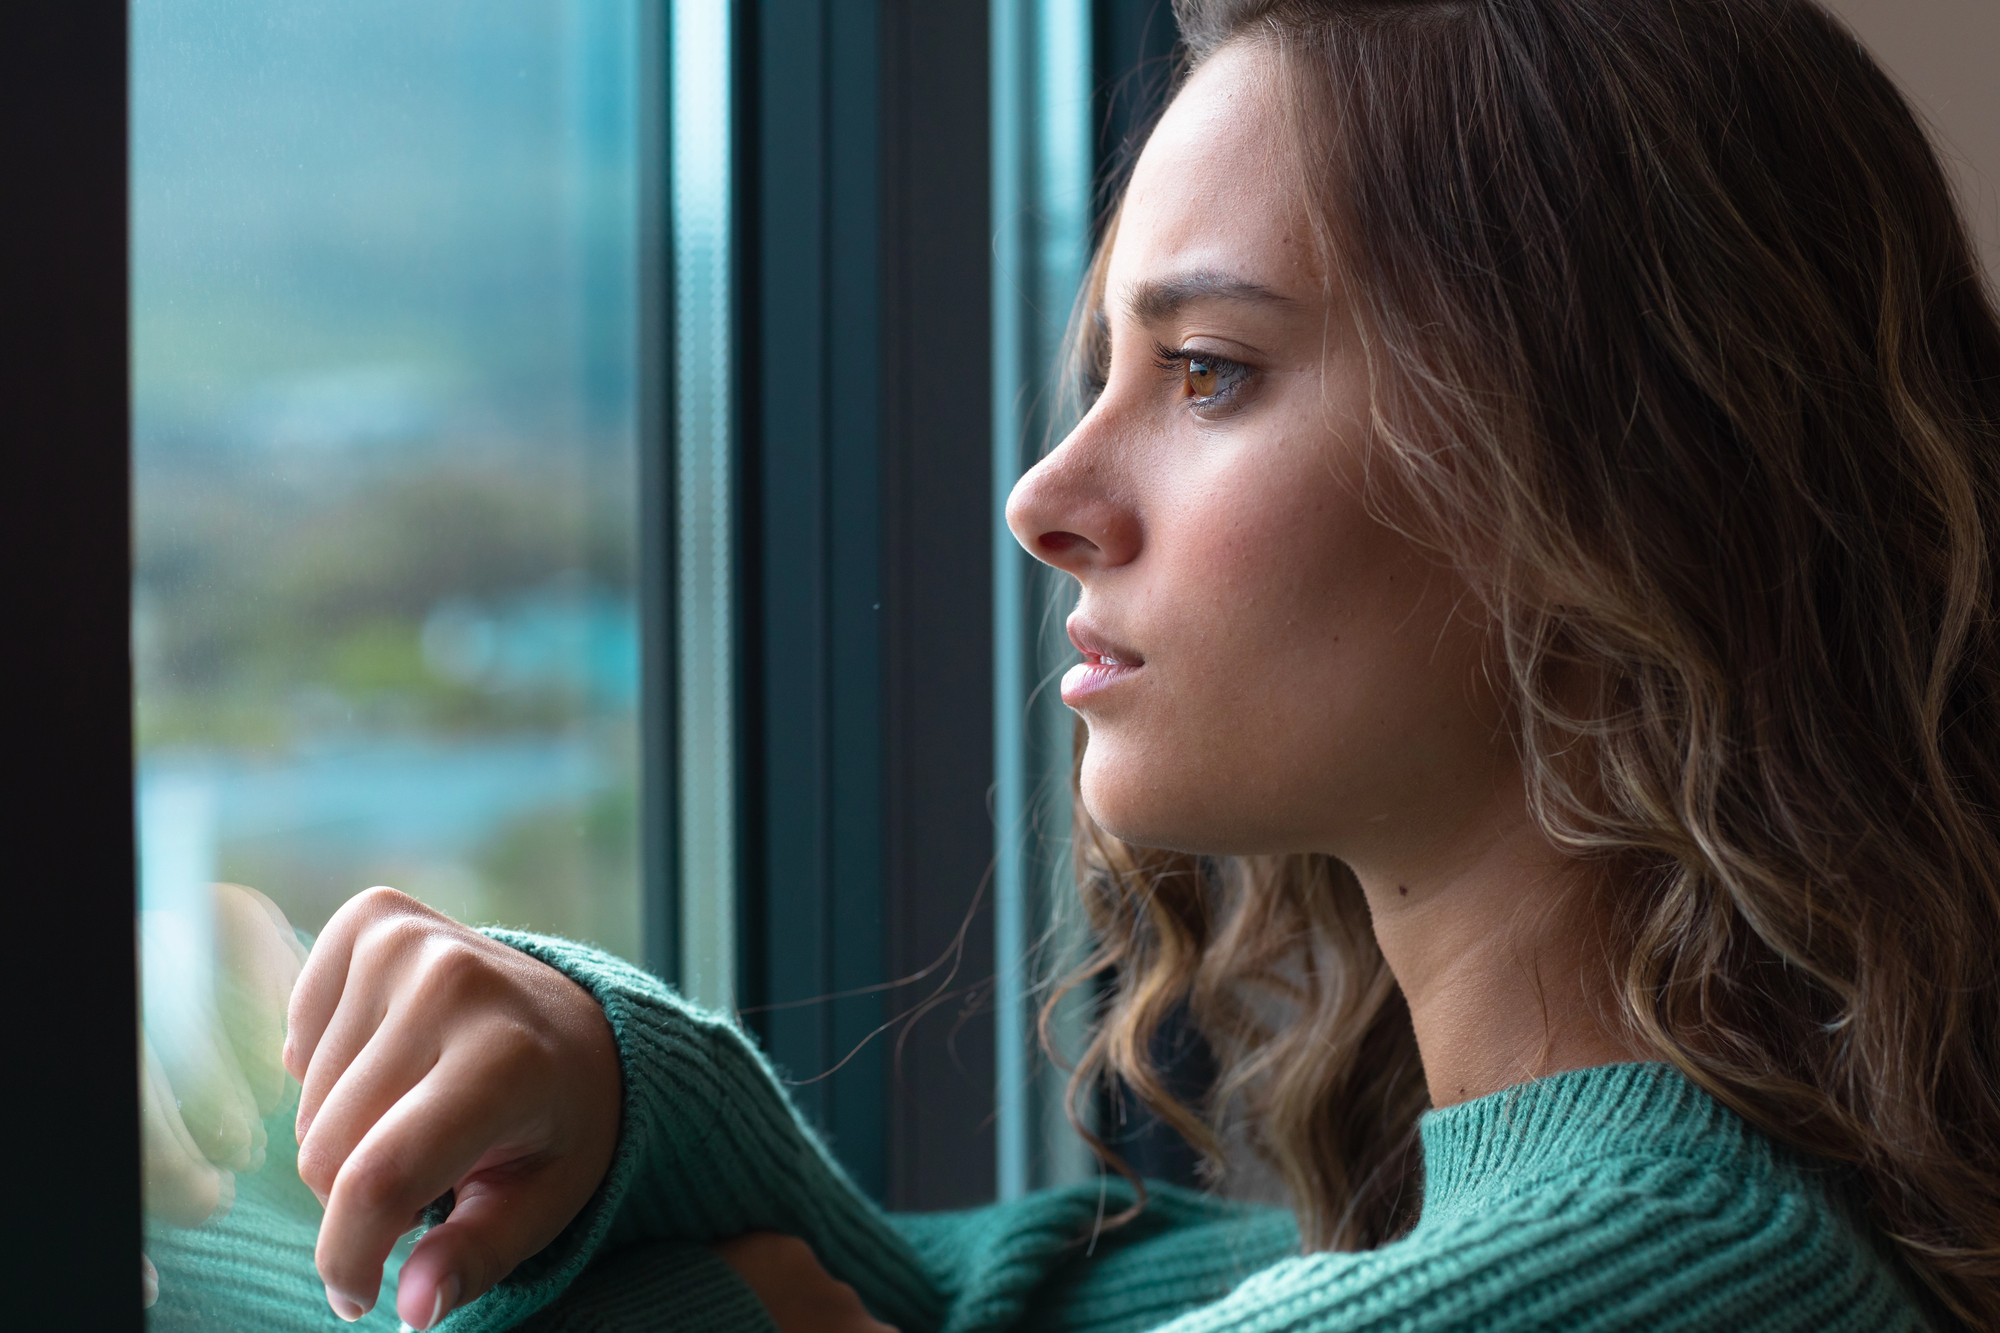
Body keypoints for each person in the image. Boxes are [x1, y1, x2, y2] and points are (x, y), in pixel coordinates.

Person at [158, 0, 2000, 1328]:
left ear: (1623, 480)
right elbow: (955, 1290)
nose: (1045, 496)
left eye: (1209, 373)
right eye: (1107, 365)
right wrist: (610, 1090)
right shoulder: (1433, 1237)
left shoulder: (1654, 1284)